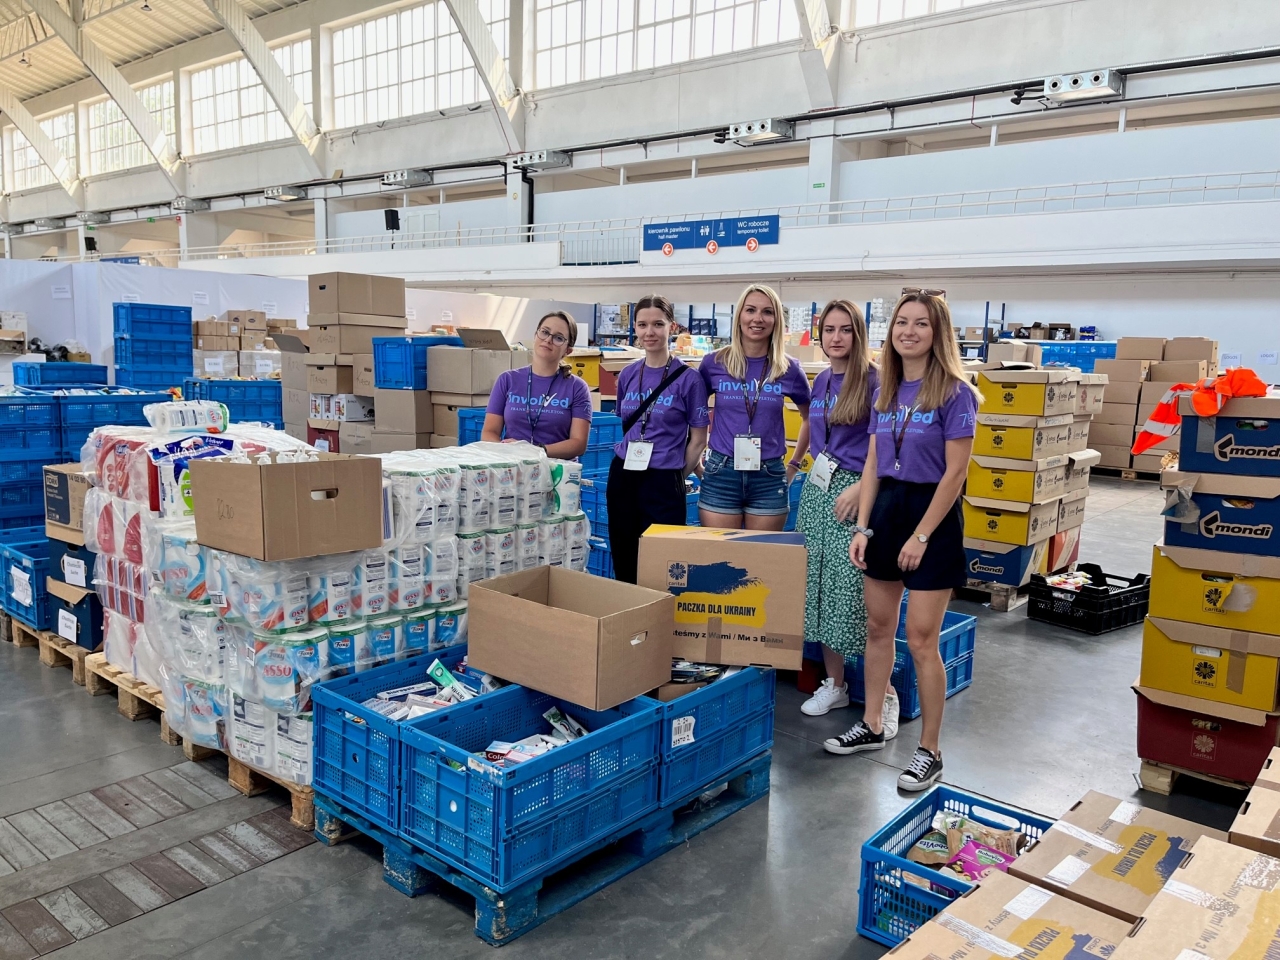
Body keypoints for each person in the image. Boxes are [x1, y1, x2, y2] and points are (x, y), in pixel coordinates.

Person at [827, 292, 979, 793]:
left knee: (919, 639)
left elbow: (955, 473)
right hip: (887, 511)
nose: (908, 331)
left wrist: (921, 535)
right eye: (901, 322)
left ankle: (929, 751)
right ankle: (872, 723)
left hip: (930, 517)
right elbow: (872, 464)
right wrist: (864, 526)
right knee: (877, 626)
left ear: (939, 333)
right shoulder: (886, 390)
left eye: (921, 323)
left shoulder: (955, 393)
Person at [793, 301, 898, 738]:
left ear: (860, 334)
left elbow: (889, 443)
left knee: (853, 597)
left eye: (845, 330)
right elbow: (813, 430)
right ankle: (834, 683)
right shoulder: (821, 380)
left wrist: (861, 487)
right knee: (815, 591)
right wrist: (797, 462)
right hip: (817, 494)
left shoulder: (876, 381)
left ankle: (884, 695)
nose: (836, 338)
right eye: (829, 330)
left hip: (856, 494)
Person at [606, 295, 709, 583]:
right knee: (624, 555)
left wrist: (676, 473)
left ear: (672, 327)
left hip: (663, 479)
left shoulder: (689, 380)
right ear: (635, 329)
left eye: (657, 324)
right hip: (624, 474)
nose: (649, 332)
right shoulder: (627, 374)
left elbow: (699, 439)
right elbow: (627, 424)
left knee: (662, 563)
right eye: (642, 325)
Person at [697, 284, 812, 530]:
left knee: (761, 559)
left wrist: (794, 463)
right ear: (739, 316)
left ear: (776, 320)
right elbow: (692, 414)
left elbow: (810, 417)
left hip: (769, 476)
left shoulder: (789, 369)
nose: (758, 318)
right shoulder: (714, 363)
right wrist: (696, 461)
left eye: (767, 312)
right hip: (721, 472)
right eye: (750, 310)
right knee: (721, 559)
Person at [482, 311, 592, 458]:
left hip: (557, 473)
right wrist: (509, 452)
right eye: (545, 332)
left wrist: (535, 451)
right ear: (535, 336)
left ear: (568, 350)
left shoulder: (577, 388)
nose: (548, 340)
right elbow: (489, 433)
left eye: (558, 338)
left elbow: (579, 443)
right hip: (514, 467)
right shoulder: (507, 380)